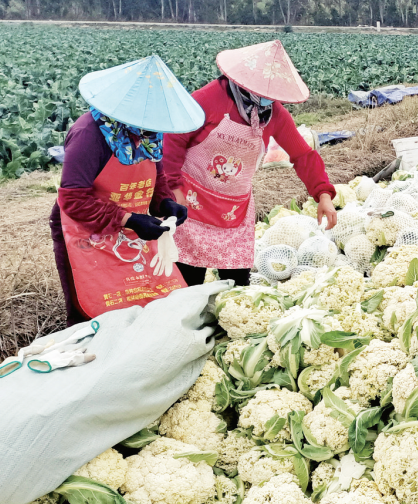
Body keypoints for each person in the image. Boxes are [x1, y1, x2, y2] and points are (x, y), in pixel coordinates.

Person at [161, 40, 337, 287]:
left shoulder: (273, 113)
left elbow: (303, 155)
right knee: (189, 286)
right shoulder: (207, 99)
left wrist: (323, 194)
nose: (271, 99)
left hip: (234, 210)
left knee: (237, 286)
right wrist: (173, 188)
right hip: (191, 206)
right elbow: (172, 140)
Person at [50, 55, 204, 325]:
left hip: (128, 232)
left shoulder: (148, 135)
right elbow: (73, 200)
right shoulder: (89, 134)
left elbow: (157, 177)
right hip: (86, 233)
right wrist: (129, 219)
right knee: (94, 311)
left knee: (143, 305)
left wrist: (165, 203)